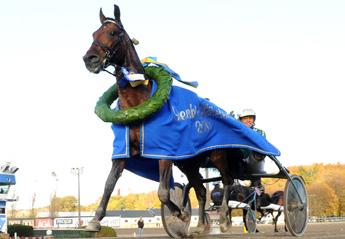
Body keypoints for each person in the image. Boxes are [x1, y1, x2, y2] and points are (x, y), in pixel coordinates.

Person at [238, 108, 266, 191]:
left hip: (254, 162)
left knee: (256, 154)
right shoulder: (236, 133)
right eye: (245, 118)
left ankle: (258, 191)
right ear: (241, 120)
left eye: (250, 118)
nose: (248, 120)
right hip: (239, 162)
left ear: (254, 120)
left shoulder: (260, 132)